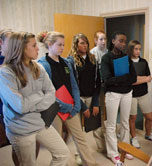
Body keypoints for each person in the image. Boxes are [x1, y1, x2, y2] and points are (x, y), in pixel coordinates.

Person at [0, 31, 70, 165]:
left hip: (39, 123)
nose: (38, 48)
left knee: (63, 154)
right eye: (33, 45)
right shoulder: (5, 73)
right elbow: (20, 106)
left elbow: (51, 92)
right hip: (20, 130)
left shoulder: (38, 67)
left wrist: (32, 102)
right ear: (21, 48)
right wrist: (40, 96)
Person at [37, 31, 98, 166]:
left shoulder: (66, 62)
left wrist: (76, 104)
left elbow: (74, 85)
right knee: (58, 142)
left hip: (71, 106)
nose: (62, 48)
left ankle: (90, 163)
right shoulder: (42, 64)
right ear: (49, 44)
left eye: (63, 45)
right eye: (59, 45)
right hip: (54, 109)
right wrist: (64, 106)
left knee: (80, 138)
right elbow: (46, 93)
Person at [0, 29, 41, 166]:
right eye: (12, 41)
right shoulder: (4, 67)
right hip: (10, 109)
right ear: (2, 43)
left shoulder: (26, 63)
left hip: (30, 107)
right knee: (18, 145)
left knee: (34, 143)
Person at [67, 33, 105, 163]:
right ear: (75, 44)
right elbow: (71, 85)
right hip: (77, 99)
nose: (85, 45)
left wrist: (95, 103)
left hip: (91, 96)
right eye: (81, 43)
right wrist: (83, 107)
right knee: (79, 129)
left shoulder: (93, 58)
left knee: (96, 124)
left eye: (86, 43)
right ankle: (79, 154)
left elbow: (97, 82)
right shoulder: (70, 60)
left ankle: (102, 147)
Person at [101, 31, 137, 165]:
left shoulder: (126, 58)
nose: (123, 44)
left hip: (127, 93)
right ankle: (113, 153)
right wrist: (124, 78)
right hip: (113, 94)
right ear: (113, 41)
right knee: (111, 125)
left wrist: (120, 79)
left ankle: (125, 149)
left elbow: (133, 77)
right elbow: (107, 80)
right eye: (120, 41)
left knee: (125, 122)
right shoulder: (106, 58)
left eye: (125, 41)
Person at [127, 40, 152, 149]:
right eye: (136, 49)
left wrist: (138, 79)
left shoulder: (144, 62)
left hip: (143, 94)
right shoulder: (127, 62)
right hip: (131, 94)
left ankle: (148, 134)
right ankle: (133, 137)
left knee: (149, 117)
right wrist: (143, 79)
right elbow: (130, 81)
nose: (138, 51)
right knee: (133, 118)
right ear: (131, 49)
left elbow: (149, 78)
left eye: (139, 49)